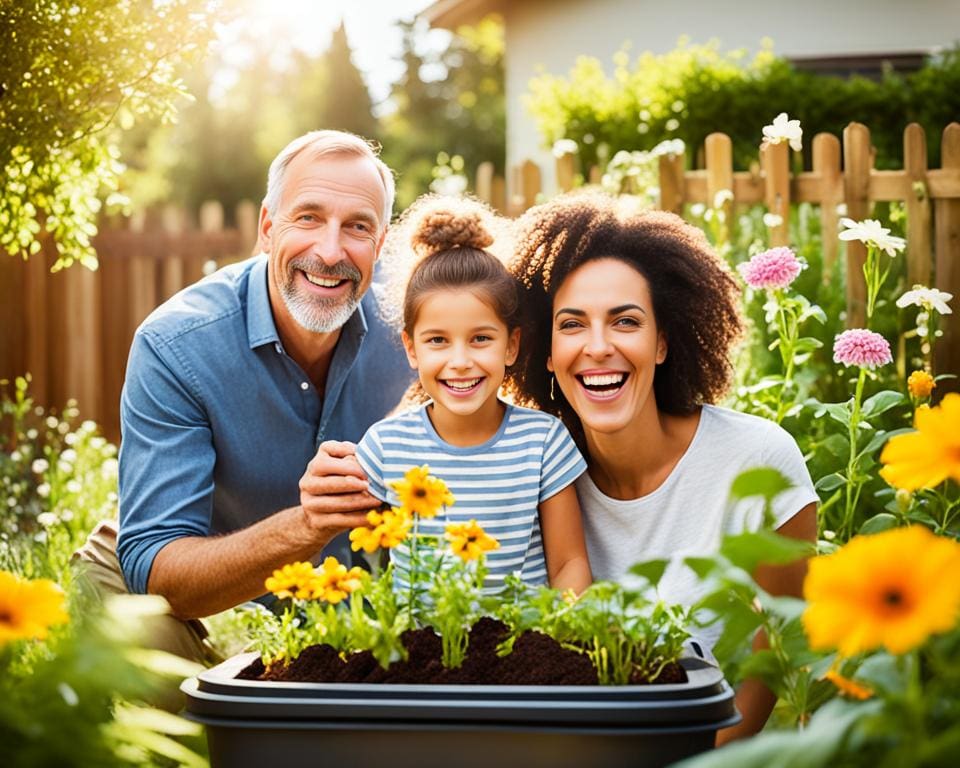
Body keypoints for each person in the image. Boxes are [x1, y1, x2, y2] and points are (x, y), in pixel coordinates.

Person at [74, 130, 414, 659]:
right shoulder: (177, 346)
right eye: (307, 217)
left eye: (357, 227)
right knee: (135, 635)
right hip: (211, 591)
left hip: (360, 609)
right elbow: (156, 570)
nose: (330, 251)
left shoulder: (423, 322)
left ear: (382, 243)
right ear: (266, 227)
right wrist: (308, 526)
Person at [508, 192, 818, 743]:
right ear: (546, 354)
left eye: (625, 322)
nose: (598, 347)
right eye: (572, 325)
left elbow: (774, 662)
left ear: (662, 344)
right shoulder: (528, 471)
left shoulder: (757, 462)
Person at [354, 196, 592, 594]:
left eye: (481, 338)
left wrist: (558, 639)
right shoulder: (384, 447)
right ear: (412, 349)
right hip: (422, 652)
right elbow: (366, 559)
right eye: (438, 341)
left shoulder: (542, 442)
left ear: (511, 346)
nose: (460, 361)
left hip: (525, 648)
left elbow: (569, 562)